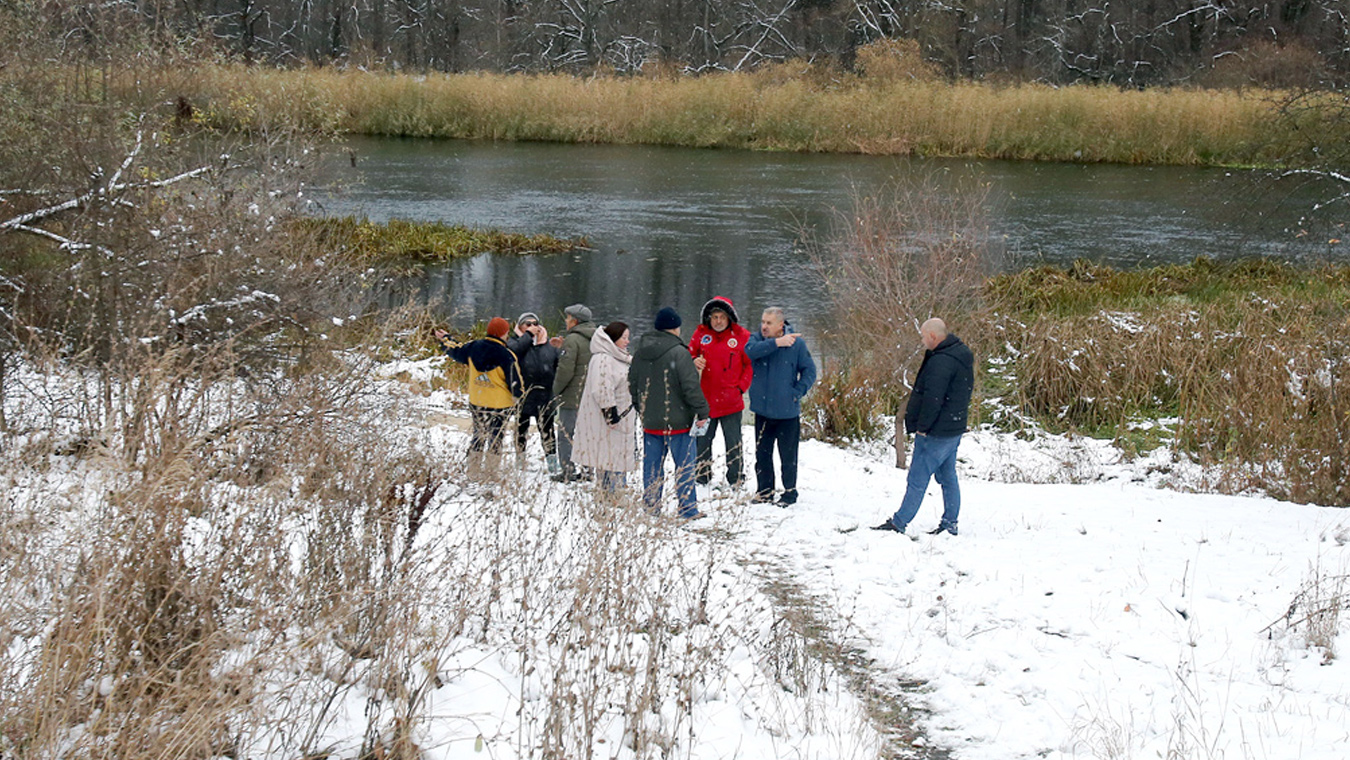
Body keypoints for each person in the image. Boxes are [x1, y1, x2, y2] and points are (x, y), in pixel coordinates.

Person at [872, 318, 975, 537]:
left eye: (923, 336)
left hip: (936, 432)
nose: (921, 340)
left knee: (917, 478)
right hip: (954, 427)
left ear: (933, 337)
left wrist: (923, 427)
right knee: (948, 477)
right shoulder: (960, 354)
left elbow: (933, 398)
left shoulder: (941, 362)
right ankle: (950, 523)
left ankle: (899, 523)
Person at [629, 307, 711, 519]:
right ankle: (687, 509)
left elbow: (633, 384)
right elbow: (690, 388)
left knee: (652, 468)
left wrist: (642, 408)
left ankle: (651, 507)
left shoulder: (640, 352)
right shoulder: (679, 353)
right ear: (676, 328)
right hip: (679, 422)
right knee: (684, 467)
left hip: (650, 422)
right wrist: (702, 411)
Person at [744, 307, 817, 506]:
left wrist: (797, 392)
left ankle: (790, 492)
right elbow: (749, 353)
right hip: (763, 410)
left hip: (787, 412)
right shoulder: (756, 340)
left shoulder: (797, 344)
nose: (764, 326)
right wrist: (776, 343)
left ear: (780, 325)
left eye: (769, 323)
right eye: (763, 322)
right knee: (763, 454)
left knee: (788, 455)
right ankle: (765, 491)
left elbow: (810, 371)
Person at [435, 317, 523, 471]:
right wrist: (521, 398)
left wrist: (445, 339)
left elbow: (456, 350)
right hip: (500, 405)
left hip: (477, 401)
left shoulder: (474, 347)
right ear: (503, 334)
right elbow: (515, 383)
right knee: (496, 438)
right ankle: (491, 472)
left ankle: (473, 470)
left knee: (479, 435)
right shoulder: (507, 355)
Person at [688, 296, 753, 490]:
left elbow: (750, 366)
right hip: (705, 401)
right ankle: (701, 476)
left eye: (721, 317)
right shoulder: (700, 334)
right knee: (702, 441)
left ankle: (736, 478)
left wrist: (741, 388)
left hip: (731, 401)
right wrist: (693, 360)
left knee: (733, 442)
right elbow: (688, 354)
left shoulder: (742, 336)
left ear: (729, 318)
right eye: (714, 317)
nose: (717, 321)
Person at [572, 322, 637, 494]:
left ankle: (614, 492)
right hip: (610, 421)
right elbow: (601, 389)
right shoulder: (603, 358)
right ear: (613, 338)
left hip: (621, 419)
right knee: (610, 458)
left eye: (628, 337)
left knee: (614, 457)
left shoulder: (617, 357)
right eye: (623, 337)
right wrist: (611, 415)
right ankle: (611, 494)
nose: (627, 341)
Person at [505, 312, 561, 474]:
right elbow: (514, 351)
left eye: (535, 323)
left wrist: (560, 349)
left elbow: (558, 367)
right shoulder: (515, 343)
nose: (532, 327)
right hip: (523, 394)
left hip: (544, 395)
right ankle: (520, 459)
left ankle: (552, 461)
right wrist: (528, 336)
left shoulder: (548, 345)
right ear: (520, 326)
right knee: (521, 429)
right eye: (527, 324)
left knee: (547, 430)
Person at [552, 303, 597, 482]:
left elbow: (565, 371)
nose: (566, 321)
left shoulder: (572, 340)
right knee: (588, 435)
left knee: (566, 434)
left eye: (568, 318)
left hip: (572, 396)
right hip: (591, 396)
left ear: (575, 321)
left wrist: (555, 391)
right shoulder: (597, 337)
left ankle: (567, 471)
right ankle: (588, 471)